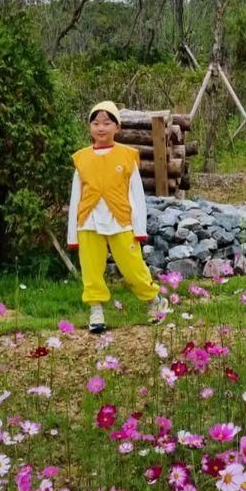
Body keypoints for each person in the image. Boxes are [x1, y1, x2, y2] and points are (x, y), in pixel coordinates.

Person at [66, 100, 167, 331]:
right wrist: (73, 233)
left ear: (117, 127)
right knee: (91, 269)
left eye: (107, 123)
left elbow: (137, 196)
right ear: (90, 127)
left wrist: (139, 229)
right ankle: (96, 311)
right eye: (95, 123)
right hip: (89, 222)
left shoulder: (127, 156)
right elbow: (75, 198)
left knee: (133, 267)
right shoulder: (81, 159)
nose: (101, 128)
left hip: (121, 221)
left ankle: (154, 301)